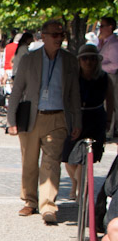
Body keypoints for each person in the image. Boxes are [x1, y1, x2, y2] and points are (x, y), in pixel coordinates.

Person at [7, 19, 81, 225]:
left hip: (58, 117)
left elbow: (74, 93)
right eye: (55, 35)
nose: (59, 39)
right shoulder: (29, 60)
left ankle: (48, 205)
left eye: (62, 35)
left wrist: (77, 120)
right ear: (44, 36)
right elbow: (17, 91)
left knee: (51, 163)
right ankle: (30, 200)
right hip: (32, 116)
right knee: (29, 162)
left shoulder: (69, 60)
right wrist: (11, 120)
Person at [63, 43, 113, 202]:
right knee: (69, 157)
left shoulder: (104, 77)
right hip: (75, 118)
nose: (88, 62)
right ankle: (74, 182)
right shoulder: (72, 77)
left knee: (87, 159)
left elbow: (110, 100)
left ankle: (82, 191)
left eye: (92, 58)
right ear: (79, 60)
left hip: (96, 118)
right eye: (84, 58)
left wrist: (109, 119)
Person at [97, 17, 118, 137]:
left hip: (110, 76)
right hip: (104, 76)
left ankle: (110, 130)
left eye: (102, 26)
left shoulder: (114, 44)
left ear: (110, 27)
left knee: (110, 103)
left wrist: (100, 68)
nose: (100, 29)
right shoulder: (105, 42)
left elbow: (115, 64)